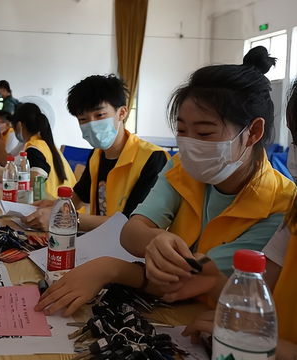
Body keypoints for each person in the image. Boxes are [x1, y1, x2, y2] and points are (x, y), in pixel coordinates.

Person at [34, 47, 295, 317]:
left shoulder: (281, 207)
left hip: (206, 318)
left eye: (204, 133)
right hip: (167, 309)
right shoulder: (181, 167)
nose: (189, 145)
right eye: (181, 131)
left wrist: (111, 268)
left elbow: (193, 279)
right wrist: (156, 237)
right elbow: (131, 231)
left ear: (253, 132)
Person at [176, 78, 297, 359]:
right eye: (296, 140)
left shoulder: (278, 201)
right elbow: (259, 297)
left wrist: (271, 346)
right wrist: (216, 284)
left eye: (204, 132)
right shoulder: (293, 217)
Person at [22, 74, 169, 232]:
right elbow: (79, 197)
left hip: (132, 245)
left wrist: (67, 219)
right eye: (83, 119)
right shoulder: (97, 155)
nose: (92, 124)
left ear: (122, 113)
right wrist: (55, 206)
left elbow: (132, 223)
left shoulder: (152, 158)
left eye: (99, 115)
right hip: (99, 239)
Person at [10, 102, 76, 198]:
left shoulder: (34, 148)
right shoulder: (47, 145)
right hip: (65, 202)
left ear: (19, 126)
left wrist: (10, 175)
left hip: (52, 203)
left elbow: (35, 180)